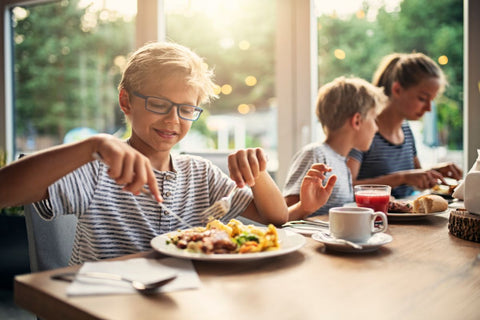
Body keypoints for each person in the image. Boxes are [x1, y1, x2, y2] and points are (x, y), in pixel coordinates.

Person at [0, 41, 288, 265]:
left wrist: (258, 171)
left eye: (186, 109)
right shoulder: (98, 169)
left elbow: (275, 217)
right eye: (159, 104)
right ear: (126, 101)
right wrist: (90, 146)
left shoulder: (201, 175)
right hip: (107, 303)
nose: (173, 120)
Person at [347, 53, 463, 199]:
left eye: (431, 101)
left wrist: (433, 172)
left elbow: (413, 177)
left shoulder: (406, 130)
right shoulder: (365, 129)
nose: (428, 108)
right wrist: (400, 178)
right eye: (422, 99)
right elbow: (346, 188)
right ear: (397, 90)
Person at [283, 76, 387, 219]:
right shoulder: (315, 155)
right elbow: (284, 215)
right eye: (374, 118)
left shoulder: (342, 163)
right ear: (357, 121)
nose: (376, 128)